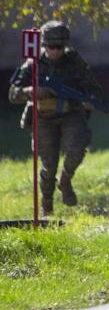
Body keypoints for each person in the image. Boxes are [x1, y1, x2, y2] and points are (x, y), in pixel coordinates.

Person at [9, 20, 102, 213]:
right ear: (43, 46)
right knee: (48, 165)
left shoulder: (74, 61)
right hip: (43, 118)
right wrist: (33, 91)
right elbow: (13, 94)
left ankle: (66, 180)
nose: (56, 51)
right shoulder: (32, 64)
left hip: (70, 114)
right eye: (51, 47)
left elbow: (93, 86)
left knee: (77, 148)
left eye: (60, 47)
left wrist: (90, 98)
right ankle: (47, 204)